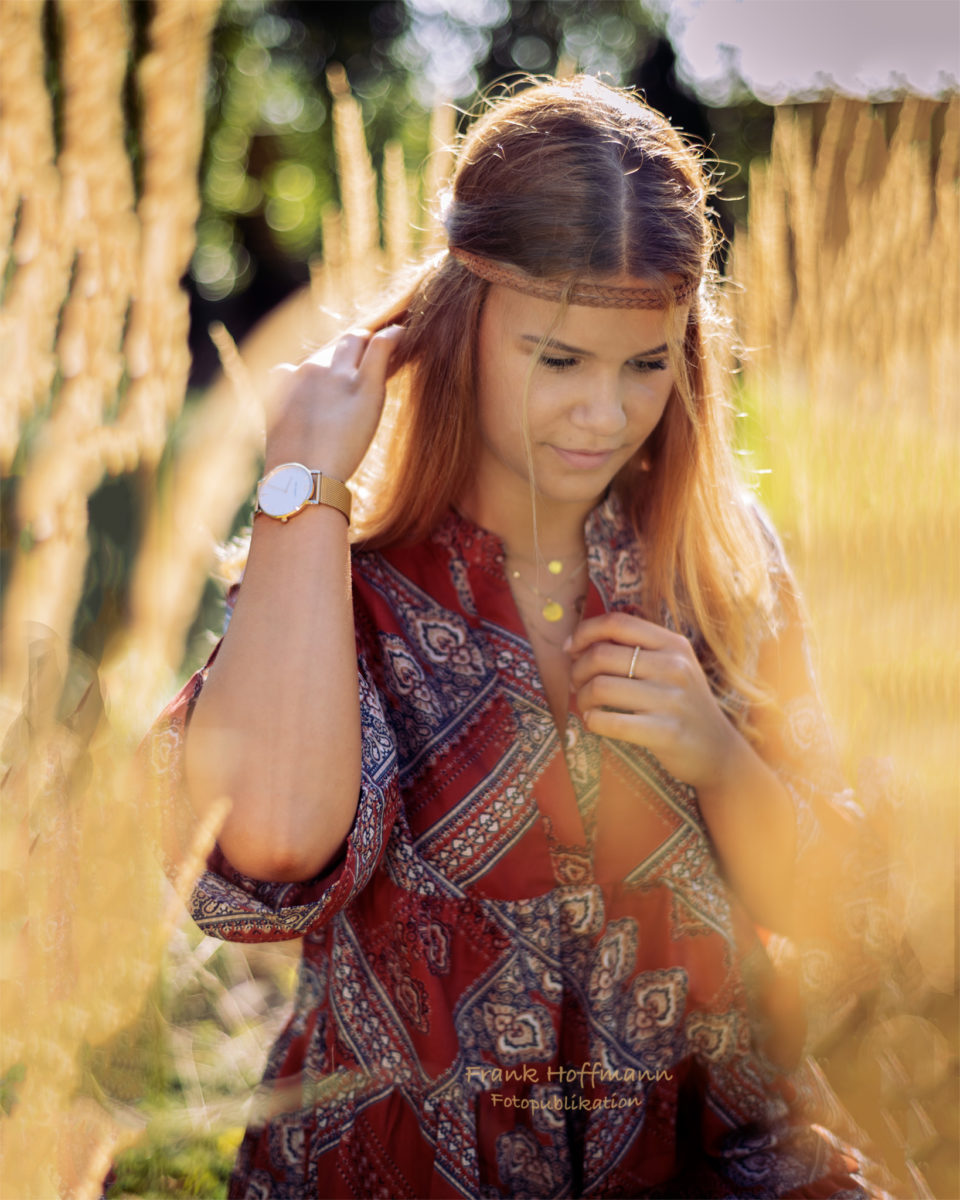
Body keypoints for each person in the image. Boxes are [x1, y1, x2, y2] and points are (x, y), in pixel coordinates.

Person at [145, 76, 895, 1198]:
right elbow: (268, 856)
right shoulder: (346, 579)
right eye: (560, 359)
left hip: (718, 1161)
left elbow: (834, 907)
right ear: (459, 325)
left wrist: (716, 754)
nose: (606, 415)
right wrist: (301, 484)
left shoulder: (721, 562)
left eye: (648, 364)